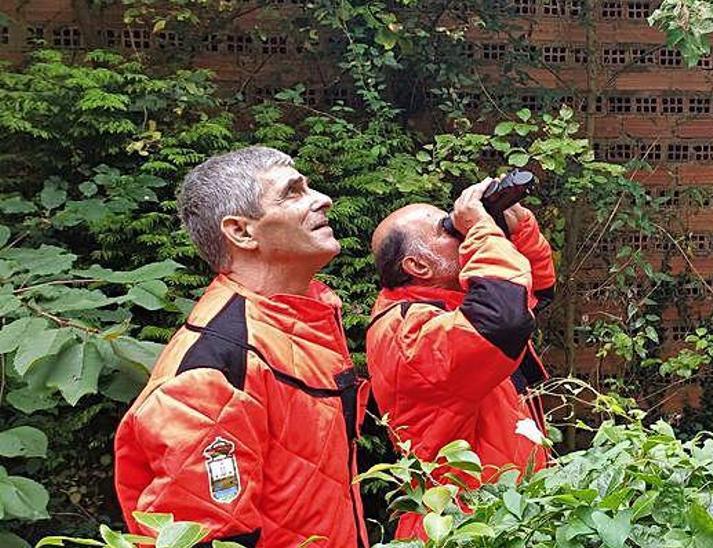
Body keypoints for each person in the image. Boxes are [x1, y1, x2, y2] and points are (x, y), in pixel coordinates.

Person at [113, 146, 370, 547]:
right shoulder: (211, 370)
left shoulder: (303, 321)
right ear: (241, 232)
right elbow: (205, 537)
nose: (323, 199)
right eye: (293, 192)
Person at [365, 180, 556, 541]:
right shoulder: (407, 331)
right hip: (464, 524)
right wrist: (481, 230)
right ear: (418, 265)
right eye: (446, 229)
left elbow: (532, 294)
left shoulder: (446, 306)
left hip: (499, 514)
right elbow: (503, 319)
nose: (460, 231)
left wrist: (518, 227)